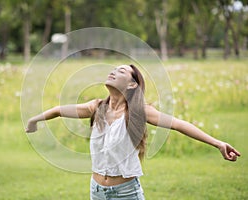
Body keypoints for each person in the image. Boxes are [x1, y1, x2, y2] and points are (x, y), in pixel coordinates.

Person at [25, 64, 241, 199]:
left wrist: (218, 143)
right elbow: (58, 111)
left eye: (120, 71)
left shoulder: (139, 112)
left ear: (132, 85)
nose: (112, 71)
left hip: (126, 193)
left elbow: (179, 124)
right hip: (96, 192)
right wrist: (35, 120)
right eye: (113, 69)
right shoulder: (97, 106)